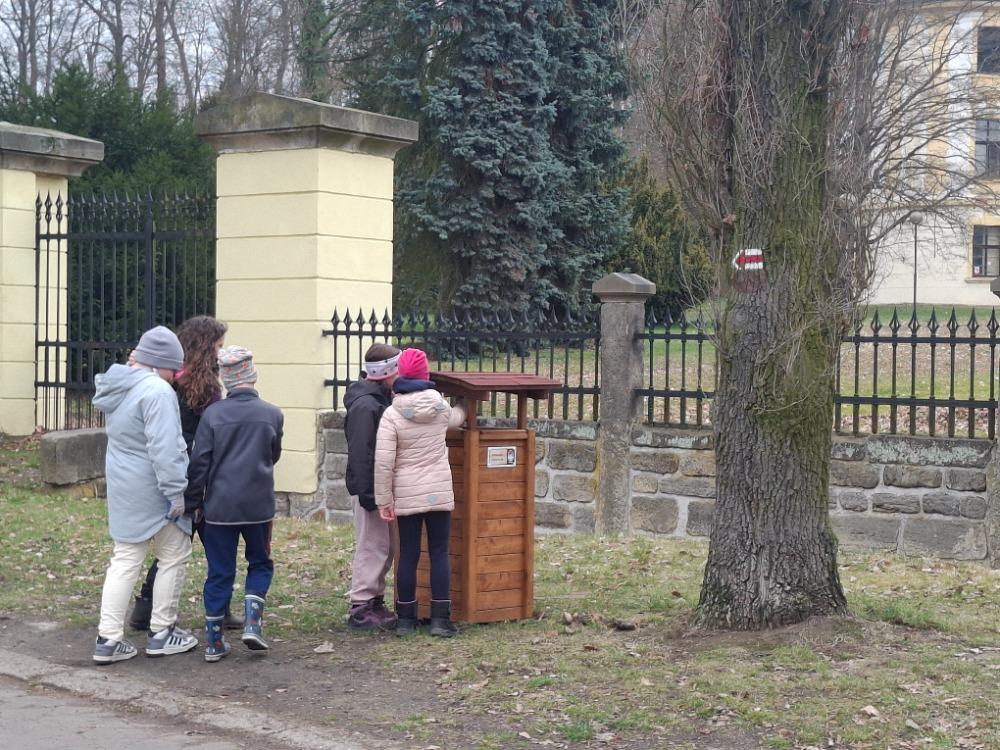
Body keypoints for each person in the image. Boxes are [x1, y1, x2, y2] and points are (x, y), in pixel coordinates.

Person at [128, 316, 243, 632]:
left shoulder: (169, 380)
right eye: (219, 346)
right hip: (201, 475)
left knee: (174, 543)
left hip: (176, 470)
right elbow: (211, 433)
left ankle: (145, 606)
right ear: (207, 347)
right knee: (217, 546)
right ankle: (219, 609)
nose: (221, 352)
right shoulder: (206, 387)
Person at [92, 326, 198, 663]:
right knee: (174, 553)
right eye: (173, 370)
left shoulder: (119, 387)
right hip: (154, 489)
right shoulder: (157, 391)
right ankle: (162, 632)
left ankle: (108, 639)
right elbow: (165, 448)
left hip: (123, 486)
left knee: (124, 559)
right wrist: (177, 492)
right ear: (160, 363)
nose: (174, 377)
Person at [187, 346, 284, 662]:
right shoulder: (272, 414)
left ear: (225, 379)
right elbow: (273, 454)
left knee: (219, 570)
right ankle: (253, 623)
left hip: (219, 507)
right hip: (258, 506)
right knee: (260, 562)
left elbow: (199, 462)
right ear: (252, 375)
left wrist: (193, 501)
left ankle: (214, 641)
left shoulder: (212, 415)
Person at [374, 348, 465, 637]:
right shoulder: (441, 408)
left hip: (407, 493)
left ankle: (405, 619)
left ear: (400, 374)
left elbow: (384, 462)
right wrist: (464, 404)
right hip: (438, 491)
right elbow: (457, 418)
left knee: (409, 554)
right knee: (439, 552)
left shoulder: (392, 414)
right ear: (425, 374)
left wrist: (384, 500)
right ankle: (440, 620)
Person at [343, 343, 401, 631]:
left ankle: (374, 600)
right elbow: (361, 453)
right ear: (387, 373)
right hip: (370, 488)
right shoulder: (366, 406)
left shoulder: (377, 400)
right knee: (372, 545)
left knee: (383, 545)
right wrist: (370, 495)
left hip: (377, 487)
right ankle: (361, 605)